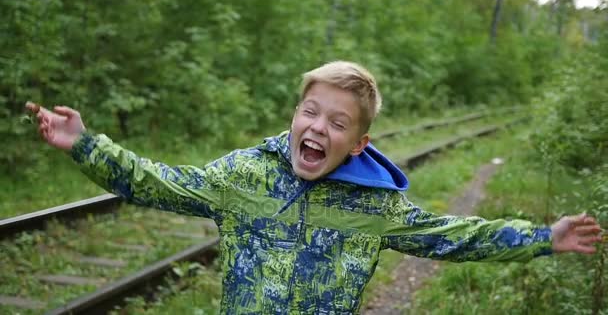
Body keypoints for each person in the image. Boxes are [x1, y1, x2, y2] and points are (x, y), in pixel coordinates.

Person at [27, 61, 603, 314]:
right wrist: (85, 144)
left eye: (337, 122)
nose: (317, 127)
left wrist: (541, 238)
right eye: (310, 112)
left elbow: (452, 235)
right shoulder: (246, 175)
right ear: (294, 115)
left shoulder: (375, 206)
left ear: (358, 143)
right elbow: (162, 184)